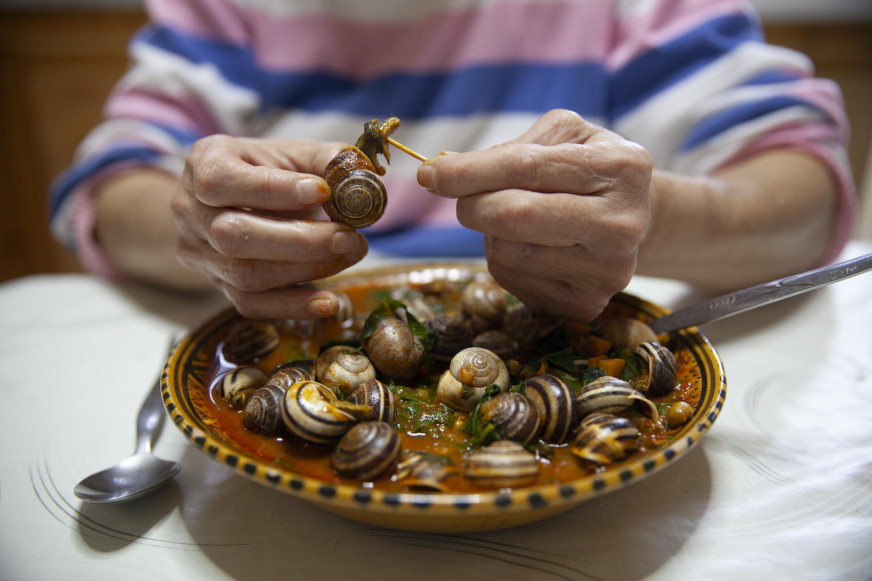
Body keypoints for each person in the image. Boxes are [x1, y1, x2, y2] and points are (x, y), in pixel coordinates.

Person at [50, 0, 856, 322]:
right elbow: (111, 183)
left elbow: (804, 189)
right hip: (294, 357)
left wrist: (656, 218)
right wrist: (200, 219)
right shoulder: (226, 11)